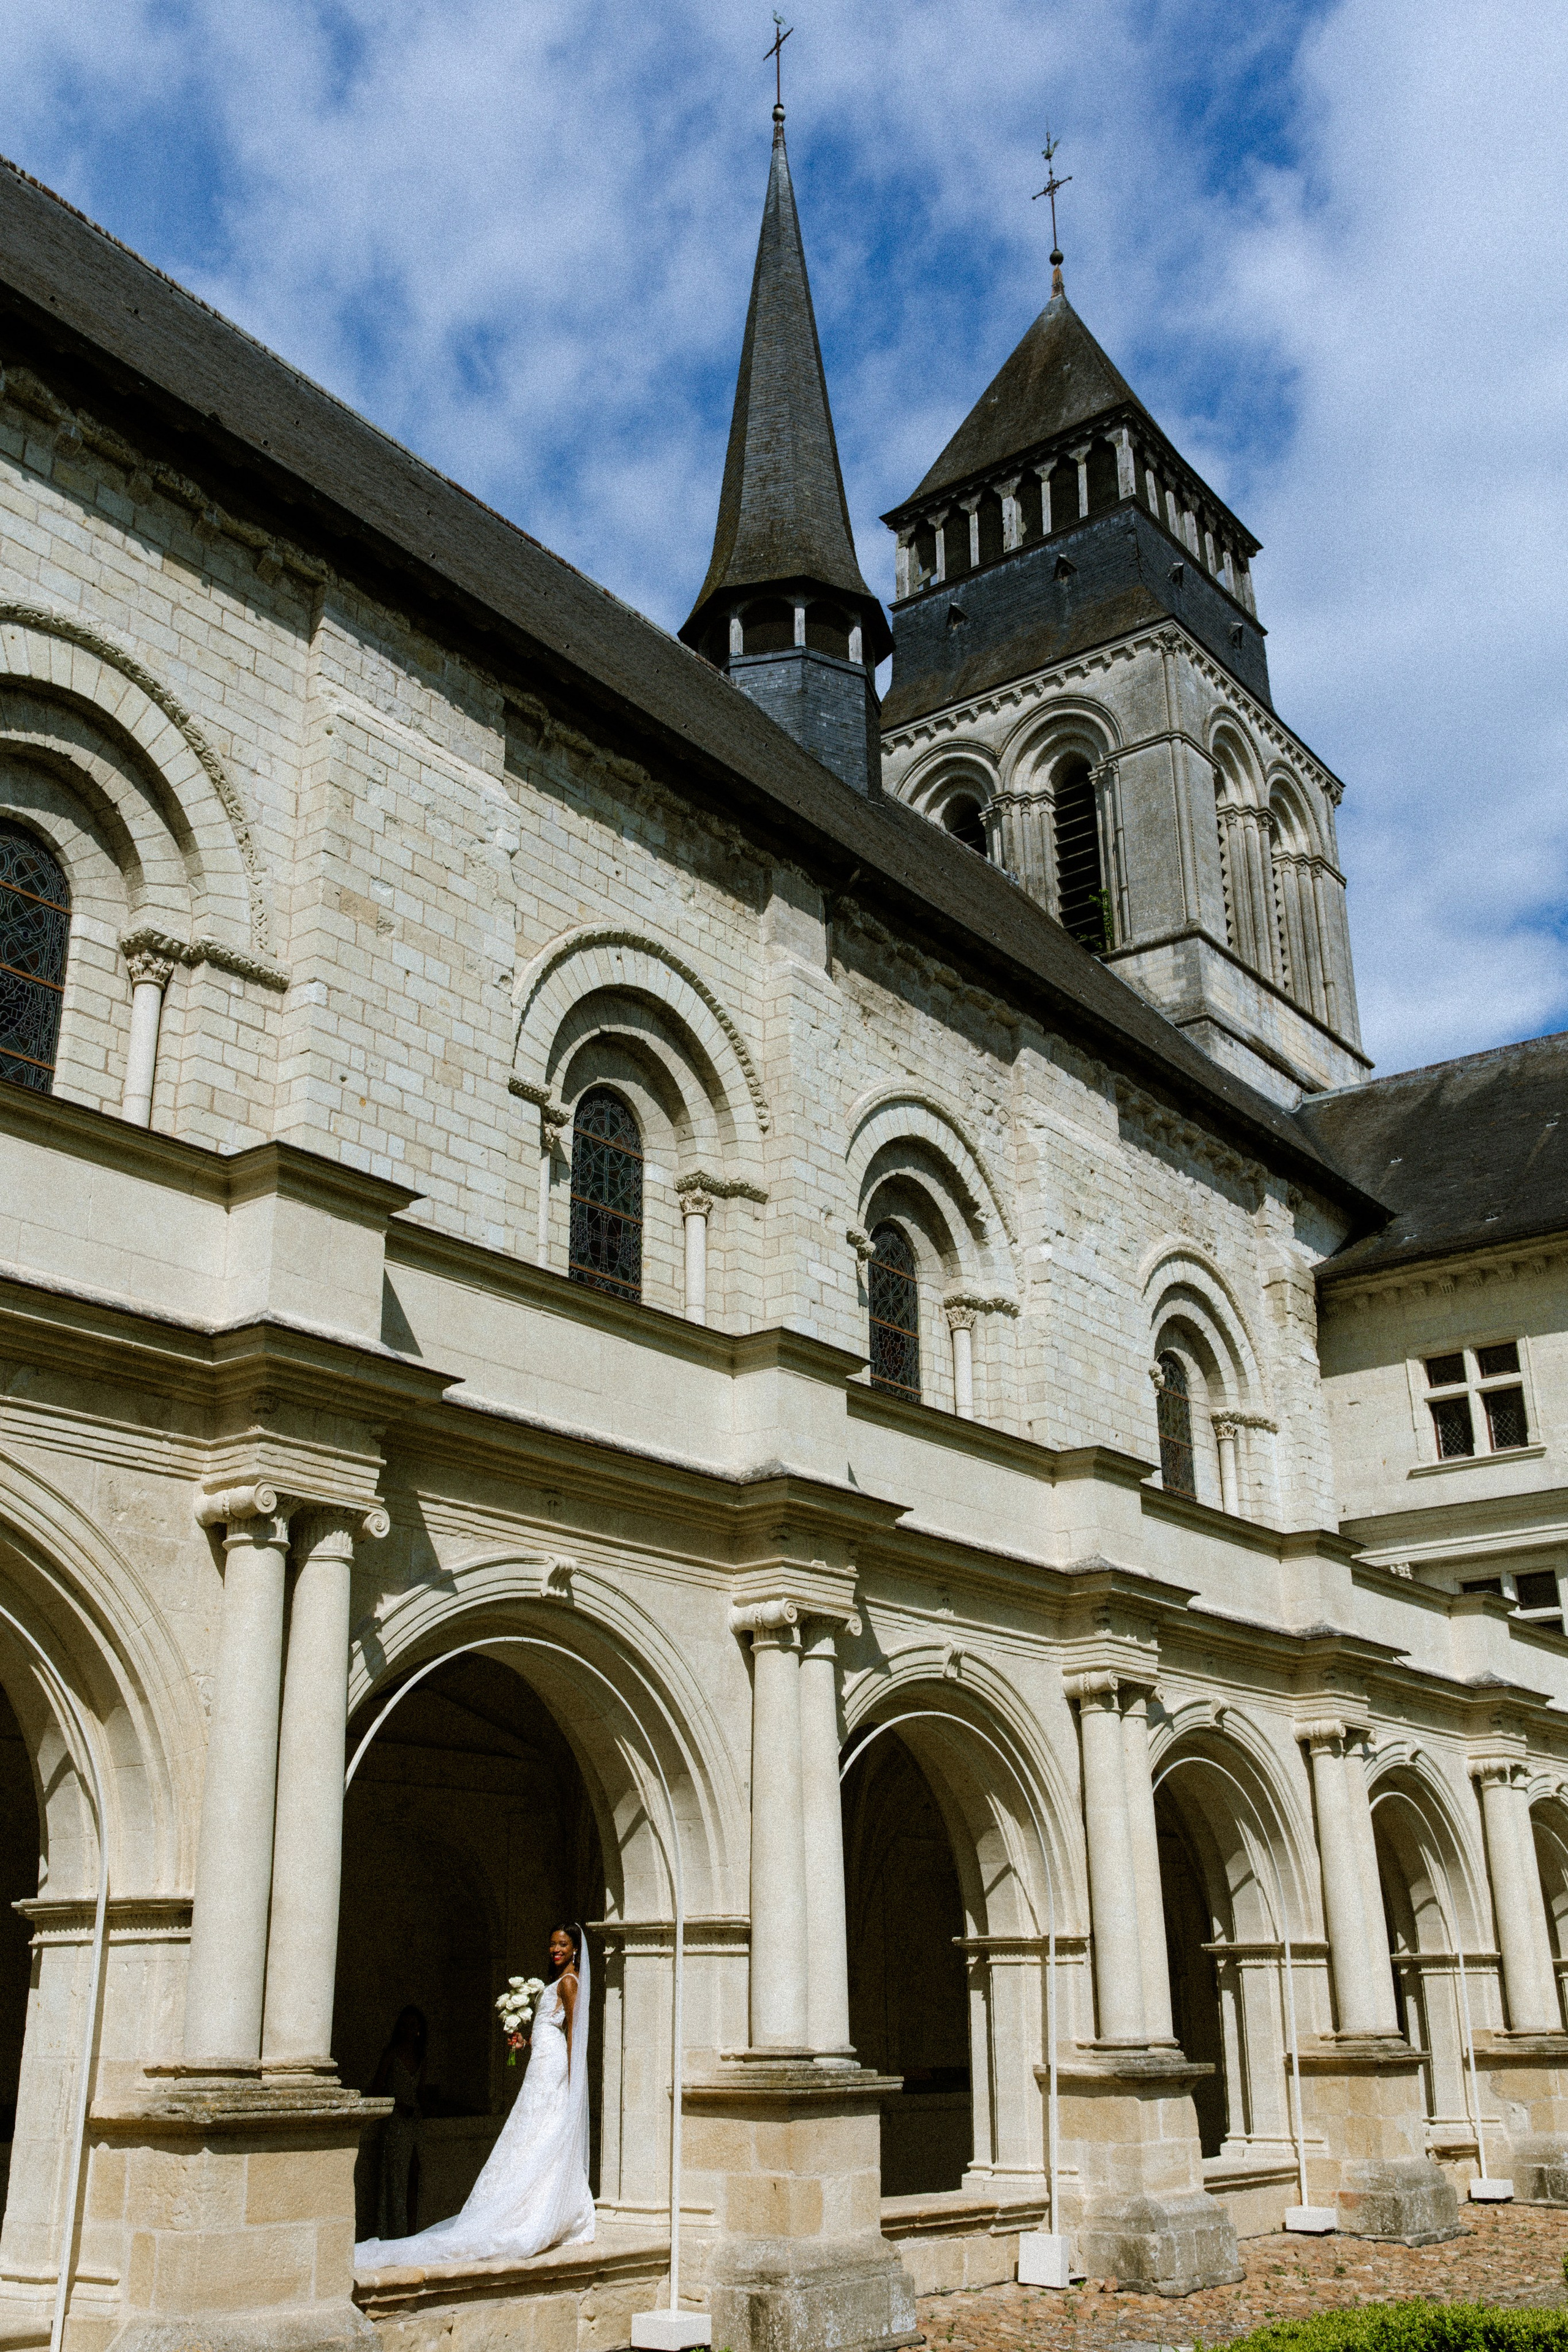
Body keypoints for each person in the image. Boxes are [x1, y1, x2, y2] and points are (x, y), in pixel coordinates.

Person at [355, 1926, 594, 2268]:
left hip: (554, 2066)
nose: (556, 1949)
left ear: (574, 1950)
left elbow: (574, 2035)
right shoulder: (555, 1982)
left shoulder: (569, 1983)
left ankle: (548, 2206)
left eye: (563, 1944)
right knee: (532, 2127)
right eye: (553, 1944)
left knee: (546, 2125)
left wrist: (572, 2081)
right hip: (541, 2062)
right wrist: (523, 2042)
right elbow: (548, 2030)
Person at [368, 2005, 427, 2239]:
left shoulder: (421, 2057)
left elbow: (420, 2091)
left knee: (414, 2175)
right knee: (395, 2179)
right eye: (405, 2025)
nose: (409, 2030)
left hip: (414, 2122)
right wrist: (397, 2104)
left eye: (413, 2026)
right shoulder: (391, 2053)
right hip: (396, 2122)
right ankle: (394, 2233)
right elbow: (377, 2087)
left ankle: (411, 2231)